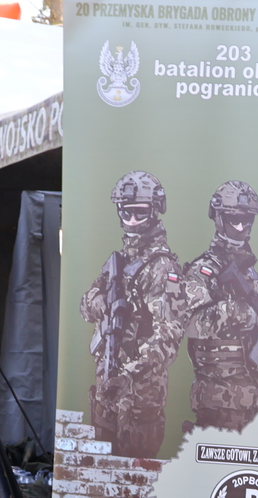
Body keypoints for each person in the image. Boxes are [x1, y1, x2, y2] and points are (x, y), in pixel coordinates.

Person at [178, 180, 258, 432]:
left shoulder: (251, 276)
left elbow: (257, 340)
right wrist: (242, 312)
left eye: (246, 220)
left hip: (250, 402)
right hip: (217, 401)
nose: (240, 227)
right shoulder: (203, 270)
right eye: (233, 219)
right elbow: (191, 324)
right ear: (218, 218)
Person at [80, 171, 182, 458]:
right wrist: (102, 303)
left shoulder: (162, 268)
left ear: (155, 211)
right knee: (101, 466)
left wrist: (130, 373)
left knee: (135, 472)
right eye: (126, 213)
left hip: (140, 393)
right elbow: (86, 305)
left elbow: (170, 334)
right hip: (107, 382)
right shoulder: (119, 262)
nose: (133, 221)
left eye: (140, 213)